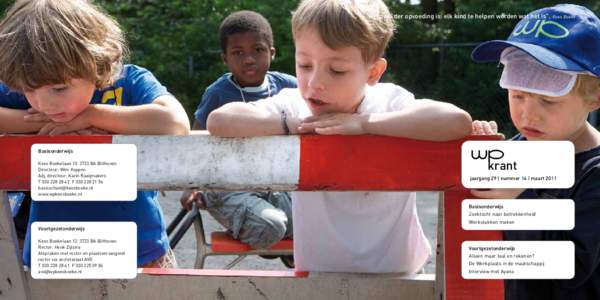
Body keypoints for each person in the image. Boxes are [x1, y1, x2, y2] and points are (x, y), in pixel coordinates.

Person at [208, 0, 472, 273]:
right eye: (305, 65)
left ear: (373, 72)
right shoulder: (295, 105)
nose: (314, 83)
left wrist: (363, 124)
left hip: (399, 274)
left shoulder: (388, 101)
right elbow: (220, 120)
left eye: (337, 70)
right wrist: (292, 125)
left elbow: (456, 121)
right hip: (318, 274)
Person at [0, 0, 190, 268]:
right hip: (59, 254)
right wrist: (37, 124)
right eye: (28, 91)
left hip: (138, 250)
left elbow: (175, 122)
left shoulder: (129, 82)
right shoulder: (34, 76)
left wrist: (91, 114)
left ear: (98, 63)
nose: (43, 104)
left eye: (59, 89)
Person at [471, 4, 600, 299]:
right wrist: (481, 153)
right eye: (517, 95)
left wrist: (520, 199)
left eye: (548, 101)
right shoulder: (513, 152)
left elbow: (573, 264)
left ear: (595, 97)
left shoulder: (594, 172)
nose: (528, 114)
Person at [180, 11, 296, 263]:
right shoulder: (219, 93)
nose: (249, 59)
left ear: (272, 53)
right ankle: (270, 235)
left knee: (316, 220)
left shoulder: (288, 87)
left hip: (276, 184)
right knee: (272, 225)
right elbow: (196, 142)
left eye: (257, 49)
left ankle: (276, 238)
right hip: (228, 185)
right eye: (238, 53)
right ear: (225, 58)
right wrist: (192, 186)